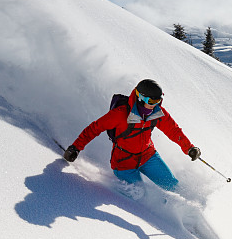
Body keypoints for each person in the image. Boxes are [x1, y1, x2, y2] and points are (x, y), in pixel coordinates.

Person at [63, 79, 200, 194]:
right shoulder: (120, 114)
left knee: (173, 186)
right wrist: (75, 147)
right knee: (141, 195)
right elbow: (94, 128)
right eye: (152, 102)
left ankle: (188, 218)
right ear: (141, 98)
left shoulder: (157, 113)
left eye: (158, 101)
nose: (156, 105)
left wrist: (189, 148)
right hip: (124, 163)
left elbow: (174, 131)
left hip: (148, 156)